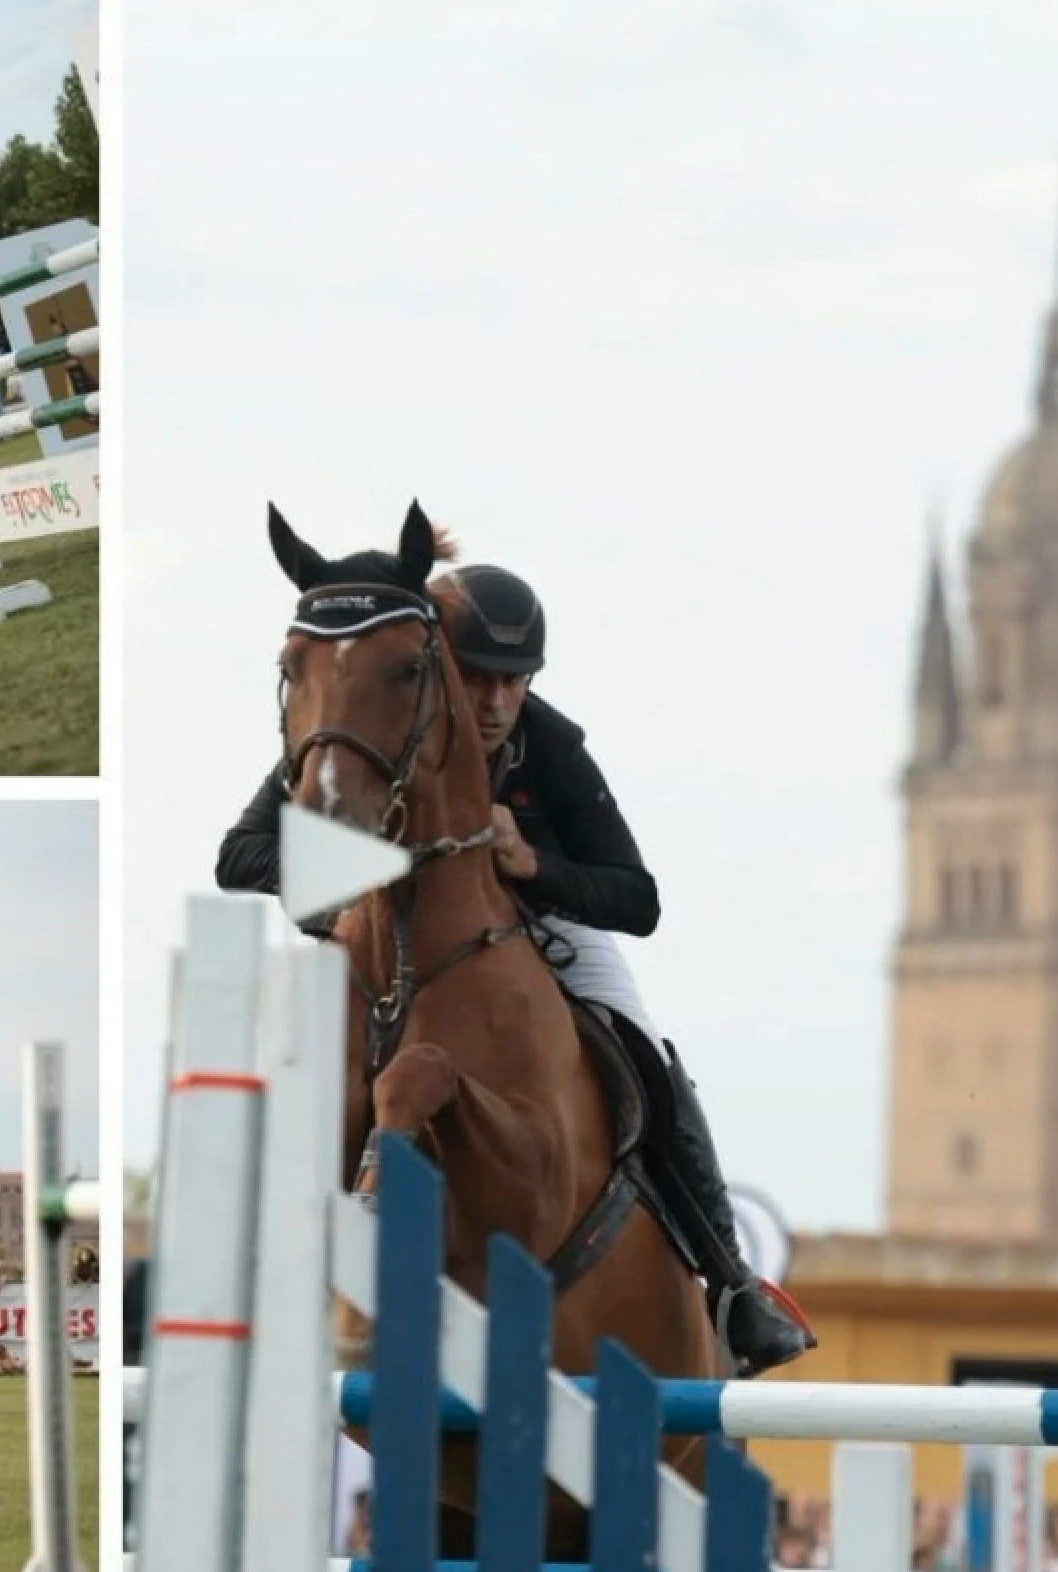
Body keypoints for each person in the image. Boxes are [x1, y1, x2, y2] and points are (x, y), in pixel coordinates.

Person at [216, 561, 815, 1378]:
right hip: (382, 930)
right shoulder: (370, 725)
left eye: (514, 681)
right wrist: (363, 875)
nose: (496, 703)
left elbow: (636, 900)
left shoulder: (551, 745)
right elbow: (240, 857)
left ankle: (731, 1280)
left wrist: (530, 864)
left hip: (548, 927)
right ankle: (242, 1264)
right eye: (477, 679)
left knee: (644, 1052)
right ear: (435, 668)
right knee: (284, 1047)